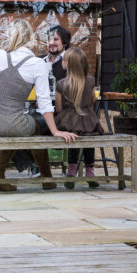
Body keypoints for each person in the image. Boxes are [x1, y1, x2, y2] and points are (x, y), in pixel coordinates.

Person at [0, 19, 77, 191]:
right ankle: (45, 177)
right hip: (10, 122)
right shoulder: (37, 64)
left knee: (16, 127)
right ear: (30, 38)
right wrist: (55, 130)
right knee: (32, 126)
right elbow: (44, 103)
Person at [54, 47, 103, 188]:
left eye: (63, 60)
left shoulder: (61, 84)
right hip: (88, 120)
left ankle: (71, 170)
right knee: (89, 140)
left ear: (67, 64)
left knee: (72, 137)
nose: (62, 61)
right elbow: (92, 100)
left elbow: (59, 108)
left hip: (68, 120)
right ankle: (89, 171)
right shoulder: (90, 81)